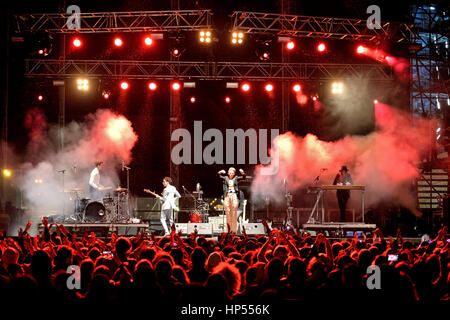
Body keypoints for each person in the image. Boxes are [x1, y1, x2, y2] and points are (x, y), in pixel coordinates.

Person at [218, 167, 245, 234]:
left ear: (234, 173)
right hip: (227, 195)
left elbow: (243, 177)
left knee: (234, 213)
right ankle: (229, 230)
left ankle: (234, 230)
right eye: (230, 173)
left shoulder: (236, 178)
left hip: (234, 195)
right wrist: (220, 172)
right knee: (228, 213)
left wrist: (242, 173)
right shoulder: (225, 178)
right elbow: (218, 176)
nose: (231, 174)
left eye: (232, 173)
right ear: (228, 173)